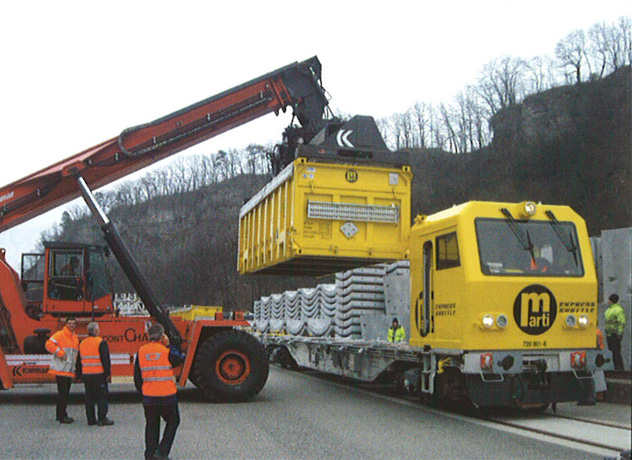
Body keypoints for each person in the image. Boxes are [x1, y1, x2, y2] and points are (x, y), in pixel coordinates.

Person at [134, 323, 184, 460]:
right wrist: (169, 345)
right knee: (173, 422)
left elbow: (137, 377)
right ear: (163, 337)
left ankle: (150, 455)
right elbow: (179, 359)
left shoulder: (141, 351)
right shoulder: (166, 351)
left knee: (151, 425)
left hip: (149, 397)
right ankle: (162, 452)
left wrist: (143, 391)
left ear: (148, 335)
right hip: (167, 396)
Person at [77, 322, 114, 426]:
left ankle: (91, 419)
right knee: (102, 397)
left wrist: (79, 374)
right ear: (96, 331)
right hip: (99, 374)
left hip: (87, 374)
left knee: (89, 398)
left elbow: (79, 360)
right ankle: (102, 418)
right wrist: (108, 373)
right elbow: (105, 359)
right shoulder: (101, 342)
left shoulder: (82, 343)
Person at [45, 316, 79, 424]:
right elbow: (48, 344)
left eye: (73, 323)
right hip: (61, 370)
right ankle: (62, 416)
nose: (72, 325)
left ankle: (60, 414)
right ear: (66, 324)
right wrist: (60, 353)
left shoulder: (75, 337)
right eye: (70, 323)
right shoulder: (60, 334)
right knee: (63, 394)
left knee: (64, 394)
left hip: (68, 370)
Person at [604, 293, 626, 370]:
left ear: (611, 301)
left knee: (616, 351)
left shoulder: (614, 310)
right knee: (613, 351)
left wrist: (619, 334)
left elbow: (621, 322)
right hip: (611, 334)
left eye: (609, 300)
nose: (608, 301)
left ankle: (619, 367)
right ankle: (616, 367)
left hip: (614, 334)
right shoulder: (612, 309)